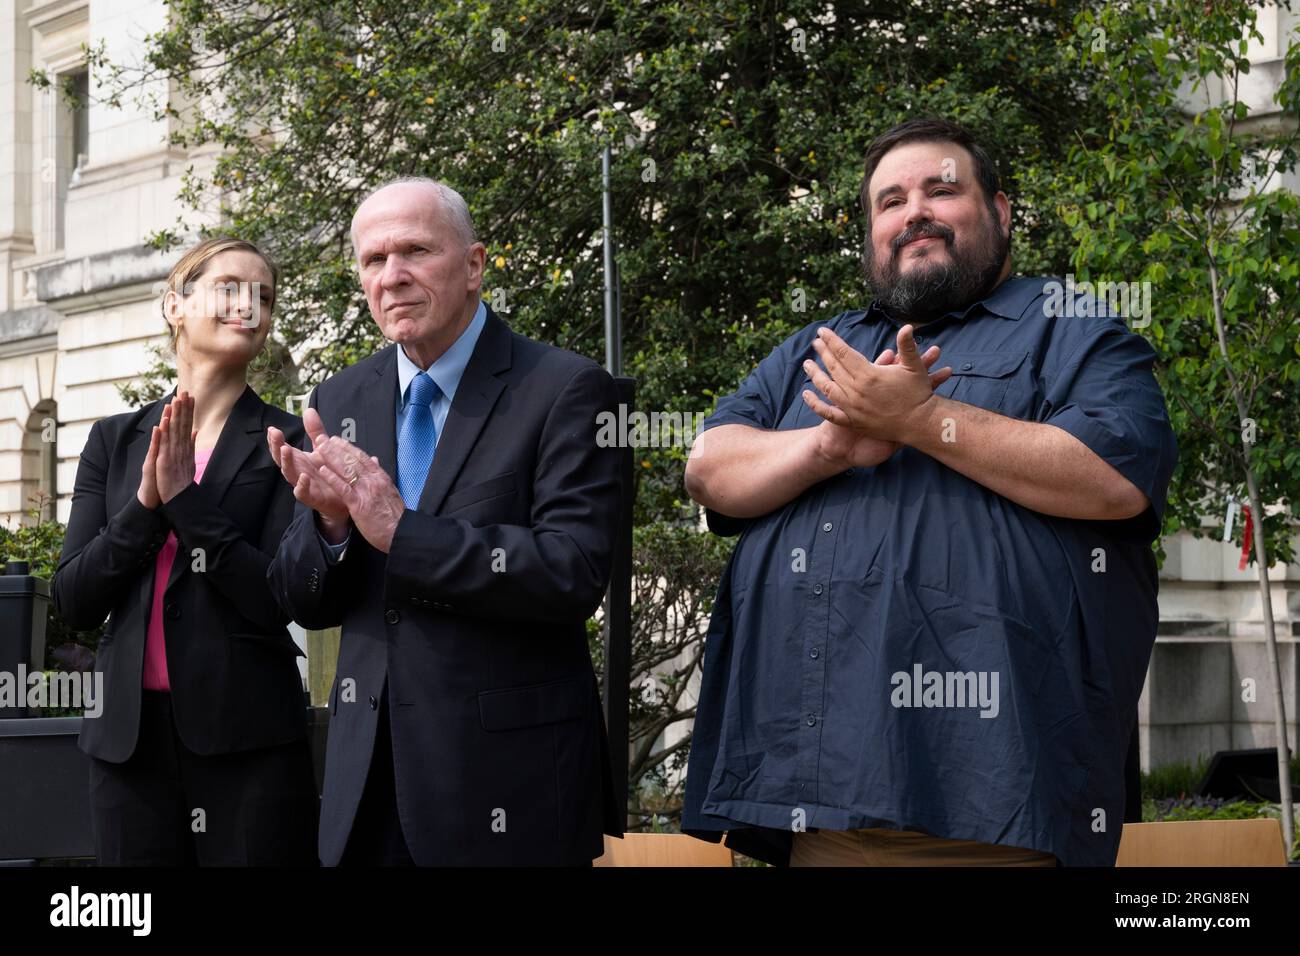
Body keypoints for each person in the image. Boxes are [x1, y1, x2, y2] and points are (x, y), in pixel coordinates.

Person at [681, 118, 1179, 867]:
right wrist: (828, 445)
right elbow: (711, 464)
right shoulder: (818, 351)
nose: (914, 211)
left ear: (1001, 213)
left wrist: (920, 419)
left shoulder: (1070, 329)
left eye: (941, 190)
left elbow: (1113, 477)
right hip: (819, 802)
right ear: (871, 233)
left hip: (995, 801)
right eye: (890, 201)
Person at [267, 177, 623, 866]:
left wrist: (403, 533)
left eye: (416, 251)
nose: (392, 276)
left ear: (474, 264)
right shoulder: (337, 399)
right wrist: (333, 530)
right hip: (367, 788)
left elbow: (572, 571)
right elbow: (301, 601)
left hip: (508, 788)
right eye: (373, 260)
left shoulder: (565, 389)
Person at [54, 236, 318, 866]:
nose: (249, 305)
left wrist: (188, 504)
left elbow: (280, 595)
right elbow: (74, 599)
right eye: (229, 287)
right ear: (175, 304)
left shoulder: (286, 440)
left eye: (265, 296)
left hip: (249, 744)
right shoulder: (114, 440)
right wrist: (146, 506)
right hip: (127, 748)